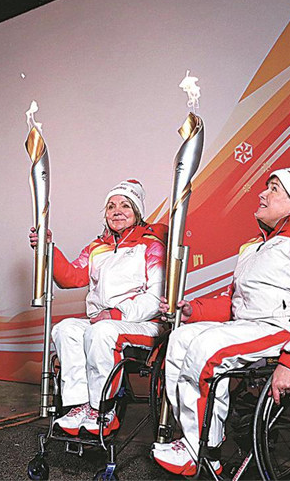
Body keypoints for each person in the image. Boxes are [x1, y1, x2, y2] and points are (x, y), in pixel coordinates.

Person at [152, 166, 290, 476]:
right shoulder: (253, 247)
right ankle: (199, 444)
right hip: (251, 326)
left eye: (274, 189)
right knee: (181, 339)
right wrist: (194, 310)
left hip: (288, 329)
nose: (262, 193)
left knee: (207, 348)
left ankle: (201, 448)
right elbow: (237, 305)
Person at [29, 179, 167, 436]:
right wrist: (49, 249)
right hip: (101, 324)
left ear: (137, 212)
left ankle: (104, 408)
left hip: (143, 324)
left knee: (102, 332)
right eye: (111, 206)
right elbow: (70, 277)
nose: (117, 210)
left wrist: (117, 314)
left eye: (125, 205)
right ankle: (79, 404)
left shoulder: (151, 246)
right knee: (66, 329)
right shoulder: (97, 247)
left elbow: (156, 296)